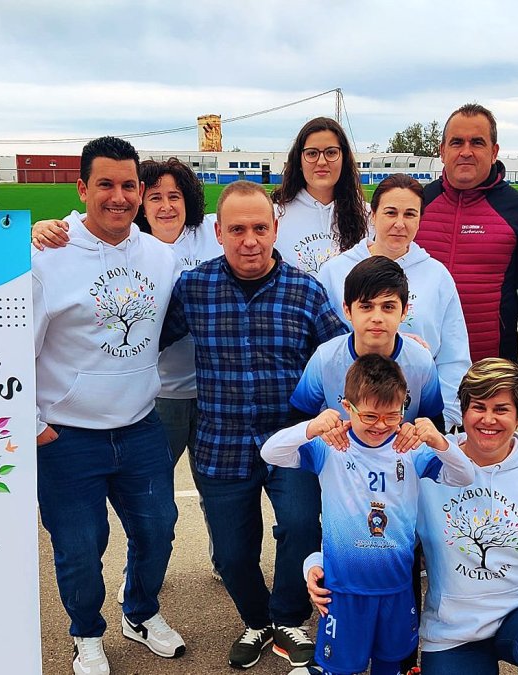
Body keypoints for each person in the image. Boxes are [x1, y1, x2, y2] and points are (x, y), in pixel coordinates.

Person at [161, 180, 348, 670]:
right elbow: (144, 337)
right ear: (219, 232)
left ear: (275, 229)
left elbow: (341, 358)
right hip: (220, 442)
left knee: (303, 527)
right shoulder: (194, 288)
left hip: (291, 441)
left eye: (260, 228)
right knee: (231, 552)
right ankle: (256, 620)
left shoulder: (306, 291)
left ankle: (288, 619)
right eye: (238, 229)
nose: (250, 240)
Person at [308, 359, 518, 675]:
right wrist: (317, 561)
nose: (488, 419)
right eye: (478, 407)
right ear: (464, 410)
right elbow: (370, 522)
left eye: (501, 410)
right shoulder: (426, 462)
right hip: (453, 628)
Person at [32, 136, 185, 675]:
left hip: (140, 427)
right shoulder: (46, 256)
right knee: (80, 547)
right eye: (105, 185)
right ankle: (85, 633)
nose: (117, 197)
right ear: (82, 188)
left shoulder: (161, 257)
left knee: (157, 529)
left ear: (140, 192)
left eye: (127, 186)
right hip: (66, 436)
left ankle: (139, 613)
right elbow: (14, 345)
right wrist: (33, 425)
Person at [262, 354, 476, 675]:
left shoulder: (411, 448)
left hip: (397, 588)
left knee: (391, 665)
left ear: (404, 406)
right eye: (370, 415)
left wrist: (438, 440)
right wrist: (310, 427)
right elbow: (271, 451)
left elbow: (465, 476)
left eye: (392, 415)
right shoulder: (330, 445)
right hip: (344, 590)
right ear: (347, 406)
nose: (380, 425)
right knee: (341, 667)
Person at [413, 104, 518, 403]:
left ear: (494, 151)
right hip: (419, 365)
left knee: (486, 447)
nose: (466, 151)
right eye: (457, 142)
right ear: (442, 150)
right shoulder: (418, 204)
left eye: (477, 142)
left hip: (489, 368)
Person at [317, 173, 471, 429]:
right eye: (390, 213)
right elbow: (322, 352)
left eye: (410, 214)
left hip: (415, 428)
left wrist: (442, 420)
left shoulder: (437, 275)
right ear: (372, 215)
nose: (400, 223)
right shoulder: (335, 272)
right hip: (349, 425)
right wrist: (334, 419)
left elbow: (453, 357)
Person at [291, 255, 445, 427]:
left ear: (404, 311)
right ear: (347, 310)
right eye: (366, 307)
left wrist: (416, 434)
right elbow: (297, 422)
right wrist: (320, 432)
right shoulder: (324, 358)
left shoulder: (421, 361)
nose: (377, 318)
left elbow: (435, 427)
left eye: (388, 307)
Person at [271, 116, 370, 275]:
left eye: (331, 152)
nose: (322, 161)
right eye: (312, 153)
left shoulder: (369, 217)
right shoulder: (275, 215)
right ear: (299, 161)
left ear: (343, 159)